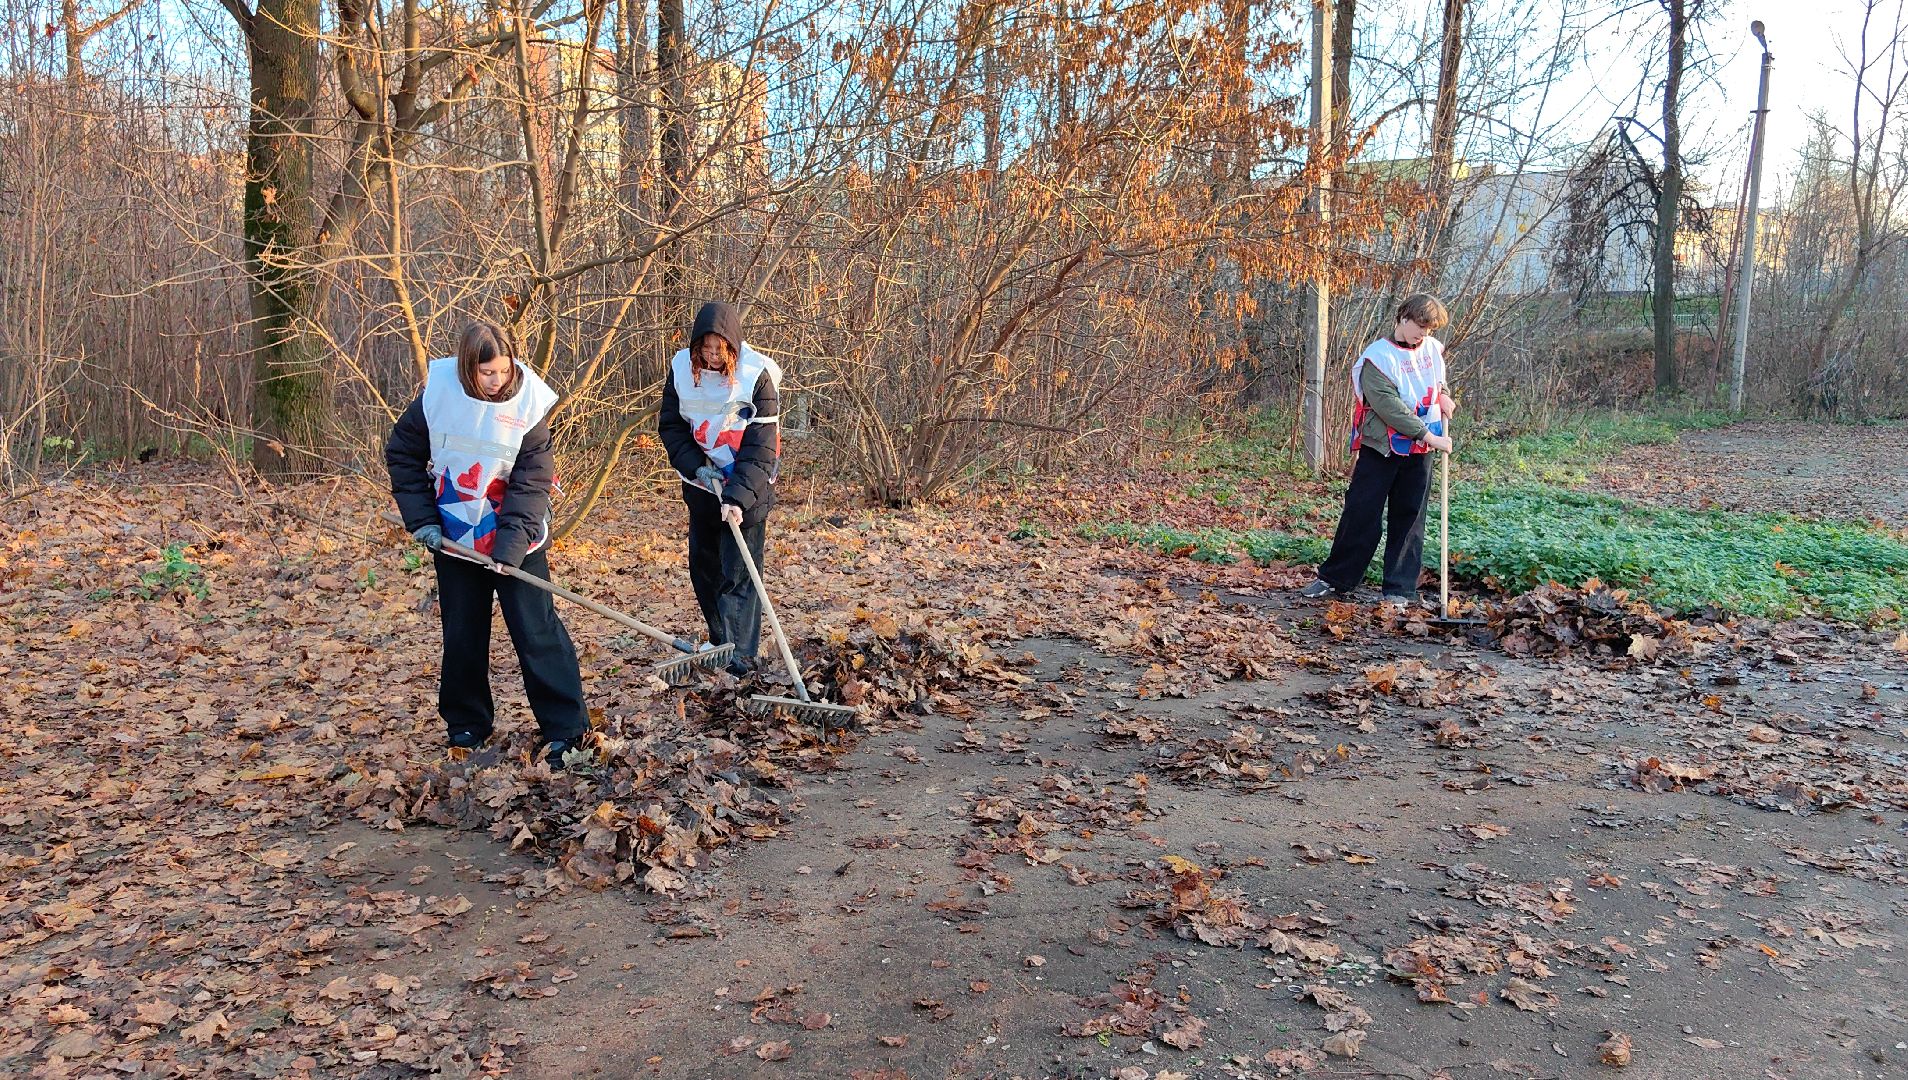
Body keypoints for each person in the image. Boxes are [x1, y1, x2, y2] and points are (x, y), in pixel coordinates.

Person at [386, 320, 590, 765]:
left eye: (502, 370)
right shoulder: (436, 398)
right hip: (456, 535)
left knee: (536, 630)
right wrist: (421, 519)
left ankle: (567, 730)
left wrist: (509, 547)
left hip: (518, 535)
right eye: (486, 374)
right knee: (463, 634)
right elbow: (402, 453)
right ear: (466, 369)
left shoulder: (528, 403)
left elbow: (532, 480)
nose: (497, 381)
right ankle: (466, 726)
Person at [1299, 293, 1457, 607]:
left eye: (1429, 329)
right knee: (1362, 512)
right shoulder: (1377, 359)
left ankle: (1399, 589)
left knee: (1410, 517)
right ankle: (1336, 578)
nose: (1423, 334)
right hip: (1381, 448)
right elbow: (1389, 408)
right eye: (1420, 326)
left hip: (1420, 452)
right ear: (1403, 317)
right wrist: (1430, 436)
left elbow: (1436, 382)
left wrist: (1444, 396)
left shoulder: (1432, 349)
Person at [657, 301, 782, 676]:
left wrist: (737, 497)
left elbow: (762, 445)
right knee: (705, 570)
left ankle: (741, 657)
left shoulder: (757, 376)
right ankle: (720, 641)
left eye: (719, 350)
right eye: (705, 349)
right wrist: (697, 466)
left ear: (733, 348)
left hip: (747, 488)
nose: (711, 357)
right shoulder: (681, 369)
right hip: (701, 486)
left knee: (738, 573)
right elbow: (671, 426)